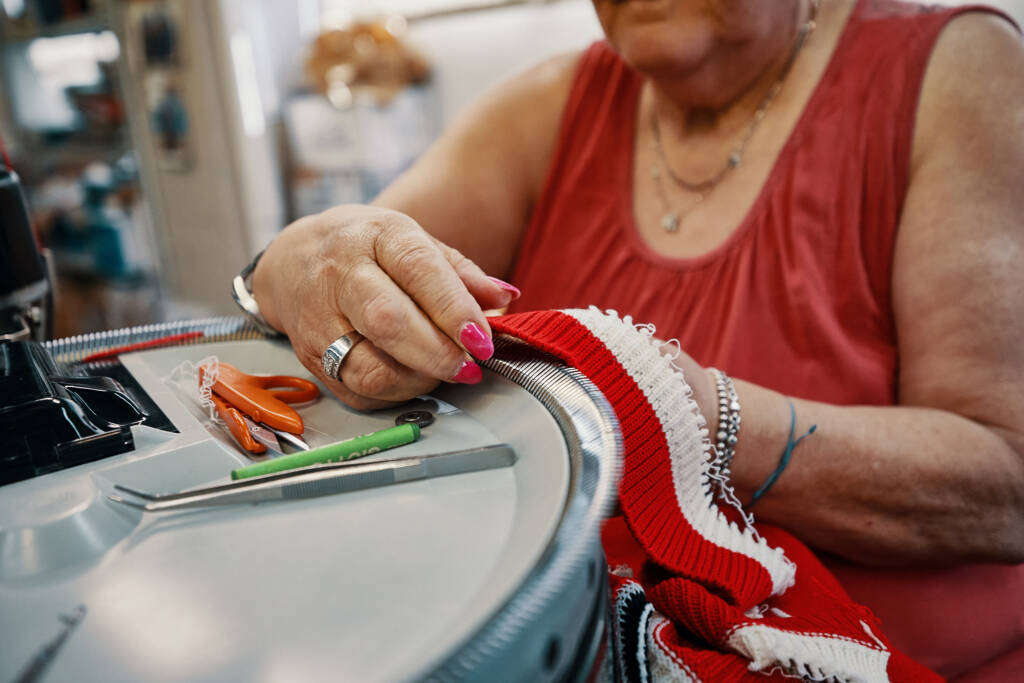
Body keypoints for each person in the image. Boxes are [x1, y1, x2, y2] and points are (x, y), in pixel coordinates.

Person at [248, 0, 1024, 678]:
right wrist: (303, 261)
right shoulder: (550, 108)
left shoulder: (957, 74)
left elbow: (1009, 477)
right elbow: (327, 264)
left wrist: (684, 416)